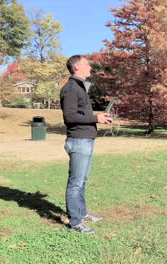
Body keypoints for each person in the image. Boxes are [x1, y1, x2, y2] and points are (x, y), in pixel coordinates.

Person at [60, 55, 113, 234]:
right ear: (76, 67)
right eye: (87, 64)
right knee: (75, 183)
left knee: (82, 181)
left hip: (86, 139)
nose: (90, 67)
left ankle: (82, 213)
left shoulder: (80, 87)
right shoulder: (71, 88)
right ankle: (75, 222)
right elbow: (70, 117)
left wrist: (99, 118)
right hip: (78, 140)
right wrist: (95, 118)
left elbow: (81, 115)